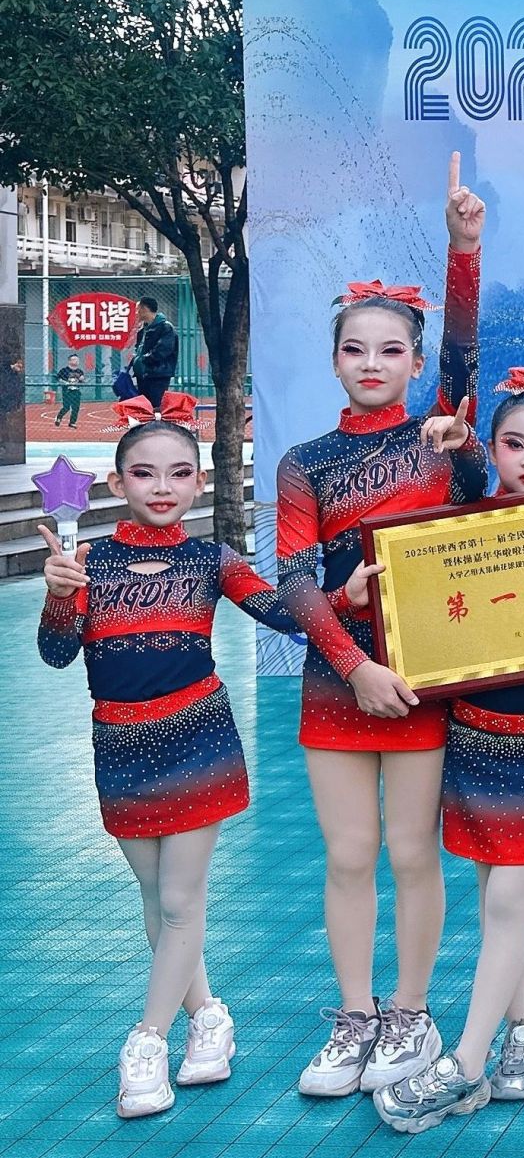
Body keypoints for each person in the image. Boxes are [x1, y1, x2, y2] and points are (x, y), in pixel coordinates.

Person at [36, 420, 373, 1118]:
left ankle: (148, 1041)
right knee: (158, 899)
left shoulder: (213, 560)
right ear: (115, 482)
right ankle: (210, 1016)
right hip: (119, 748)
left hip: (198, 741)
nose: (162, 486)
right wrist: (59, 593)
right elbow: (57, 653)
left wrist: (342, 598)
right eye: (144, 472)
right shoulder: (86, 564)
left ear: (200, 481)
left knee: (180, 901)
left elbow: (282, 613)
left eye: (179, 472)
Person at [278, 154, 485, 1098]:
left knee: (410, 851)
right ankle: (355, 1015)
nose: (372, 362)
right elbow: (294, 579)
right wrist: (351, 659)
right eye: (356, 348)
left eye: (391, 349)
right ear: (335, 360)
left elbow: (465, 359)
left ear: (413, 360)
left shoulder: (439, 434)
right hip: (338, 677)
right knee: (350, 854)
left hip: (424, 674)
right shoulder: (305, 461)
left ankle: (410, 1009)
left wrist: (462, 249)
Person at [371, 369, 524, 1132]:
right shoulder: (465, 516)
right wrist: (466, 440)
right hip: (476, 730)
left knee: (508, 898)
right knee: (492, 892)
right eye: (515, 444)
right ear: (493, 448)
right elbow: (464, 467)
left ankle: (466, 1063)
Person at [131, 298, 179, 415]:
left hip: (158, 375)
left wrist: (143, 359)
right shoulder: (143, 330)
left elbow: (162, 351)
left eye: (138, 309)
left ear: (144, 309)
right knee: (144, 409)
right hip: (143, 375)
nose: (136, 313)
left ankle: (157, 426)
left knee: (156, 408)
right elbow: (139, 349)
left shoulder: (165, 328)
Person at [57, 353, 86, 427]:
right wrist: (65, 382)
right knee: (66, 407)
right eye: (74, 359)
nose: (76, 361)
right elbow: (58, 378)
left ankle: (72, 422)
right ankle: (59, 417)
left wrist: (82, 380)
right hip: (67, 391)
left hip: (76, 391)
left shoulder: (80, 371)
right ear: (69, 361)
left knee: (76, 408)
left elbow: (82, 381)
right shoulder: (64, 370)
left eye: (77, 360)